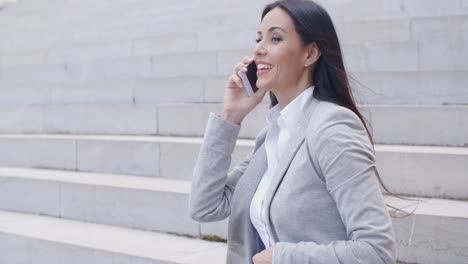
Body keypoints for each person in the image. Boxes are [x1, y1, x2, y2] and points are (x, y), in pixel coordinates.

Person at [190, 0, 396, 263]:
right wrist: (231, 115)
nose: (258, 49)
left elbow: (376, 252)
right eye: (258, 38)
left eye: (275, 38)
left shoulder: (332, 128)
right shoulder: (272, 135)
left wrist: (281, 257)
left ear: (309, 54)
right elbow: (205, 206)